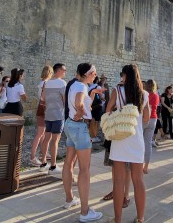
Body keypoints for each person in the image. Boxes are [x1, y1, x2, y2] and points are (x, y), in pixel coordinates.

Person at [62, 63, 103, 222]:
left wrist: (91, 95)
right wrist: (80, 111)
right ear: (88, 74)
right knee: (84, 169)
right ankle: (85, 212)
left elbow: (83, 103)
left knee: (68, 163)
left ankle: (69, 199)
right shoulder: (81, 87)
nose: (95, 75)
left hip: (70, 124)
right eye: (94, 73)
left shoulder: (75, 84)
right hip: (79, 128)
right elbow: (80, 103)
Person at [108, 64, 149, 223]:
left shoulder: (117, 91)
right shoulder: (144, 94)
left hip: (120, 139)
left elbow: (108, 110)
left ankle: (117, 219)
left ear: (124, 75)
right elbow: (146, 119)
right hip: (136, 139)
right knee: (138, 181)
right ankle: (140, 218)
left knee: (118, 181)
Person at [39, 63, 67, 173]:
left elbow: (43, 98)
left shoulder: (47, 83)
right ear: (59, 70)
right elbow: (65, 100)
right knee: (55, 141)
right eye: (64, 70)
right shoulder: (62, 83)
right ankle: (53, 166)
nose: (65, 72)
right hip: (58, 115)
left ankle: (43, 163)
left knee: (47, 139)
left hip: (48, 114)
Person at [30, 65, 53, 166]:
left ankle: (43, 152)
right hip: (45, 110)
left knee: (42, 133)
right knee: (40, 134)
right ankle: (32, 157)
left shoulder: (41, 83)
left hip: (41, 108)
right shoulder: (46, 83)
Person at [143, 79, 159, 174]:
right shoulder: (156, 95)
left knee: (140, 142)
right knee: (148, 143)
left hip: (144, 118)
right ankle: (146, 167)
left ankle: (139, 163)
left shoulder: (145, 94)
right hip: (153, 118)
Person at [88, 76, 104, 143]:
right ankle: (95, 136)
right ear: (97, 80)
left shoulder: (89, 88)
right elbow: (101, 97)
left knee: (92, 121)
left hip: (92, 106)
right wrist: (103, 98)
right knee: (96, 122)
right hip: (97, 106)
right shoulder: (98, 87)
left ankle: (91, 136)